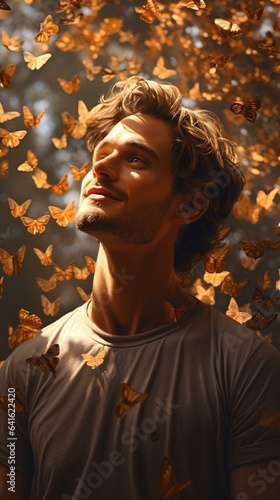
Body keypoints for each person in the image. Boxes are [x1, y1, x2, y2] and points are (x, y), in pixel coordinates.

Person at [0, 76, 280, 500]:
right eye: (101, 153)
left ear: (189, 204)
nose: (100, 167)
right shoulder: (20, 372)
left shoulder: (247, 368)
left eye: (137, 159)